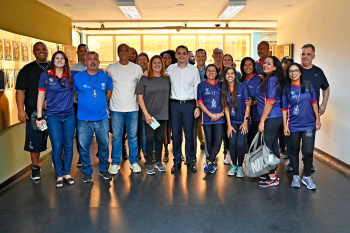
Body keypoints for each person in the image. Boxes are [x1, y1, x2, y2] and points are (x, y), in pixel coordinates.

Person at [35, 51, 76, 188]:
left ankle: (67, 173)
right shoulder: (45, 75)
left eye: (62, 58)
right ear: (53, 60)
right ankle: (59, 174)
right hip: (53, 116)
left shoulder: (71, 75)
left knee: (69, 145)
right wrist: (39, 116)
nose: (59, 60)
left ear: (65, 61)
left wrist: (104, 71)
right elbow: (41, 96)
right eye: (57, 58)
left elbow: (89, 72)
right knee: (57, 146)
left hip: (69, 115)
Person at [73, 51, 113, 183]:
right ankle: (87, 171)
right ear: (85, 62)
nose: (92, 61)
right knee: (84, 147)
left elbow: (109, 92)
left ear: (99, 62)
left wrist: (100, 103)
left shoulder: (105, 76)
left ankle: (103, 170)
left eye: (95, 59)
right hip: (83, 119)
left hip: (101, 118)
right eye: (89, 59)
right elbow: (70, 94)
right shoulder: (78, 78)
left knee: (104, 146)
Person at [282, 63, 321, 189]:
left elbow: (315, 103)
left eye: (296, 71)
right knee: (294, 151)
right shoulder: (287, 89)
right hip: (293, 125)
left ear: (300, 73)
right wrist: (285, 125)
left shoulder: (308, 85)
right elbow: (283, 108)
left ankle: (307, 177)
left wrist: (317, 119)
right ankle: (295, 176)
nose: (293, 73)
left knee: (308, 151)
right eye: (291, 71)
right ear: (288, 74)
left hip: (309, 124)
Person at [15, 42, 49, 181]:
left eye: (44, 49)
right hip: (34, 113)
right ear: (34, 52)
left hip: (55, 112)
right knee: (35, 142)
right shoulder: (27, 70)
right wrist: (20, 110)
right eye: (38, 49)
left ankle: (60, 164)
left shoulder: (56, 67)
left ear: (47, 51)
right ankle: (35, 167)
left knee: (59, 140)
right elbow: (20, 91)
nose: (41, 51)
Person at [108, 44, 143, 174]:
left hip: (133, 108)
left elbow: (141, 88)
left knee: (133, 137)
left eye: (126, 51)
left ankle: (133, 162)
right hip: (116, 109)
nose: (123, 53)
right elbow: (107, 88)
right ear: (118, 53)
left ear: (130, 53)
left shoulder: (137, 68)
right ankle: (115, 163)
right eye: (121, 51)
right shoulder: (111, 68)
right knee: (117, 137)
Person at [167, 45, 201, 173]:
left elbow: (197, 89)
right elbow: (161, 80)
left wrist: (197, 106)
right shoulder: (170, 69)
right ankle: (176, 161)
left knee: (190, 135)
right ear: (175, 55)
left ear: (187, 55)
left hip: (189, 105)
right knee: (175, 135)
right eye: (179, 53)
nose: (181, 55)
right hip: (174, 104)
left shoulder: (193, 70)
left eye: (184, 53)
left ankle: (191, 160)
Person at [136, 55, 170, 174]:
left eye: (159, 63)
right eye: (154, 63)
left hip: (162, 115)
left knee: (159, 139)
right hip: (149, 116)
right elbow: (140, 97)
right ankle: (150, 163)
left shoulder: (167, 79)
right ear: (151, 65)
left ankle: (159, 162)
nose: (157, 65)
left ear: (162, 64)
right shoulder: (145, 79)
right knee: (149, 139)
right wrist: (146, 114)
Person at [300, 44, 330, 172]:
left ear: (313, 56)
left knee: (308, 143)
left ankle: (308, 163)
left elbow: (326, 88)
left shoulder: (318, 72)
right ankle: (292, 161)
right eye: (303, 54)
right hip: (295, 114)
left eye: (308, 54)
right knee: (293, 142)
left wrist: (323, 104)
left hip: (311, 114)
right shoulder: (295, 70)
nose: (305, 56)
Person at [256, 56, 284, 187]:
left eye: (269, 64)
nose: (265, 65)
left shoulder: (273, 79)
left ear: (275, 67)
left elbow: (271, 101)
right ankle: (272, 173)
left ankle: (272, 177)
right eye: (264, 63)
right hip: (274, 117)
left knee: (267, 147)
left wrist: (262, 120)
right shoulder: (271, 79)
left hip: (271, 118)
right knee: (273, 146)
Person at [222, 66, 250, 178]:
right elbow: (226, 108)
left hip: (243, 120)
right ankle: (234, 165)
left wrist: (245, 121)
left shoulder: (242, 87)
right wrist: (229, 125)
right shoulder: (224, 89)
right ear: (225, 76)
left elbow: (248, 105)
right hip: (232, 121)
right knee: (232, 144)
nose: (230, 75)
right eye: (227, 73)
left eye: (232, 73)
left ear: (235, 75)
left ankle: (240, 167)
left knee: (240, 144)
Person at [197, 64, 224, 174]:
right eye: (209, 71)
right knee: (209, 141)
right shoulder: (201, 85)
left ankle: (210, 161)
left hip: (220, 117)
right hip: (207, 117)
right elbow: (200, 102)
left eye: (213, 71)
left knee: (218, 141)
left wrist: (220, 114)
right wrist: (210, 115)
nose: (211, 72)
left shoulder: (221, 85)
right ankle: (212, 163)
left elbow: (226, 101)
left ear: (216, 73)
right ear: (206, 73)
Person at [71, 44, 89, 167]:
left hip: (93, 105)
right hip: (78, 104)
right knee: (80, 131)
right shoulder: (73, 69)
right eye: (81, 51)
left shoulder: (95, 66)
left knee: (96, 130)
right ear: (77, 53)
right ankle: (82, 157)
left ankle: (99, 153)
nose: (83, 53)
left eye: (85, 51)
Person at [240, 57, 262, 148]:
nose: (247, 67)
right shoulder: (240, 80)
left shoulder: (259, 80)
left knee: (254, 139)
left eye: (250, 64)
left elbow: (262, 98)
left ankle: (254, 160)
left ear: (253, 66)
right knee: (246, 139)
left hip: (255, 115)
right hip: (243, 115)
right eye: (245, 65)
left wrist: (253, 103)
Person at [160, 50, 177, 162]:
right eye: (164, 58)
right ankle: (165, 150)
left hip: (174, 104)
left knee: (176, 129)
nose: (166, 60)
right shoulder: (159, 72)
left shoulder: (176, 71)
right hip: (162, 105)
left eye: (169, 58)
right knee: (163, 129)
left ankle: (178, 152)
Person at [279, 56, 294, 160]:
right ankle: (282, 149)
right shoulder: (278, 77)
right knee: (280, 129)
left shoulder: (292, 77)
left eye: (289, 63)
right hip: (278, 107)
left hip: (289, 108)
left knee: (288, 130)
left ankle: (289, 151)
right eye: (285, 63)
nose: (287, 64)